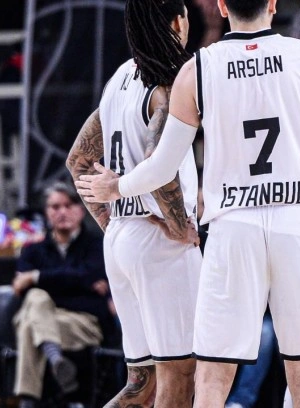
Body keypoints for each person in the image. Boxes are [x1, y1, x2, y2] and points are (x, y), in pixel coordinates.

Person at [75, 0, 300, 406]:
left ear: (221, 7)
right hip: (298, 223)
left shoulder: (196, 69)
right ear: (273, 4)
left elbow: (162, 164)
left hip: (233, 226)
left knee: (212, 376)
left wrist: (118, 187)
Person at [66, 1, 202, 406]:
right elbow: (160, 163)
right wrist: (177, 225)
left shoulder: (121, 76)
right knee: (180, 372)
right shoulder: (169, 82)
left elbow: (77, 160)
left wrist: (111, 224)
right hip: (159, 243)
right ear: (178, 21)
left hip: (121, 239)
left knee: (143, 384)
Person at [12, 182, 113, 408]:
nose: (62, 212)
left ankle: (28, 401)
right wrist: (80, 285)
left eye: (68, 205)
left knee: (30, 322)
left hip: (84, 323)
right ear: (47, 212)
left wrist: (36, 277)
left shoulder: (98, 246)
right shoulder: (32, 250)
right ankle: (56, 359)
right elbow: (21, 291)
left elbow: (90, 278)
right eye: (55, 207)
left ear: (81, 209)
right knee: (36, 298)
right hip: (50, 319)